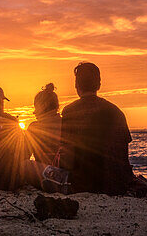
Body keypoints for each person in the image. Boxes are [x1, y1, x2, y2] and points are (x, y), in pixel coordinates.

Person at [59, 62, 139, 195]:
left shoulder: (69, 112)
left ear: (76, 86)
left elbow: (67, 155)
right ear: (99, 85)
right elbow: (123, 155)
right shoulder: (116, 112)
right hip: (116, 184)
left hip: (83, 184)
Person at [26, 83, 62, 173]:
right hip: (65, 173)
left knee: (24, 164)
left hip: (44, 173)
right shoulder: (66, 123)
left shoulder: (34, 127)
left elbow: (24, 155)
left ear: (40, 106)